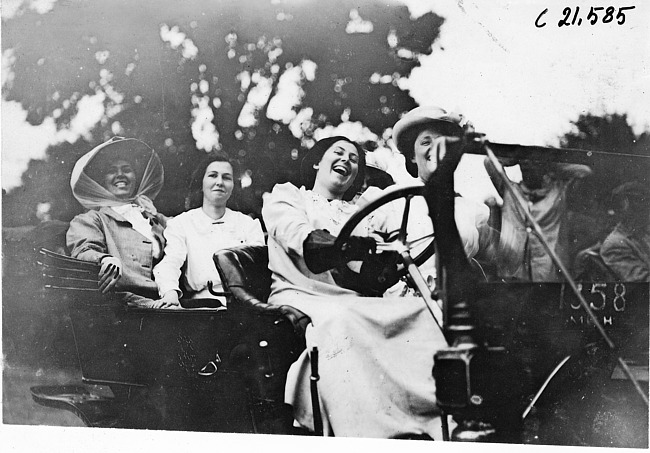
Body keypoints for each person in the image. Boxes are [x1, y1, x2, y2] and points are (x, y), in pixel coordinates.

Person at [262, 135, 453, 438]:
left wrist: (387, 263)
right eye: (338, 152)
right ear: (316, 161)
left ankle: (433, 420)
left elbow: (376, 263)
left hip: (352, 298)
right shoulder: (287, 196)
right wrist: (348, 246)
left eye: (354, 159)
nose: (346, 160)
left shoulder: (363, 209)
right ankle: (365, 431)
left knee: (423, 311)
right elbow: (301, 238)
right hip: (302, 293)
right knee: (344, 321)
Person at [389, 106, 494, 285]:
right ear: (412, 155)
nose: (436, 147)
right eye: (425, 142)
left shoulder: (473, 210)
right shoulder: (391, 201)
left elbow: (509, 257)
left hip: (458, 301)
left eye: (442, 141)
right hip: (403, 305)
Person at [153, 152, 265, 307]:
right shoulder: (182, 223)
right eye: (213, 175)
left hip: (244, 306)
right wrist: (170, 293)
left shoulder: (248, 225)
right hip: (202, 306)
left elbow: (257, 272)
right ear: (202, 182)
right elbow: (170, 263)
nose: (219, 182)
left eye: (226, 177)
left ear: (233, 186)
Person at [67, 136, 168, 308]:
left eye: (126, 169)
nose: (120, 174)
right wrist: (104, 259)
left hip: (166, 301)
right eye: (112, 170)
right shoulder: (92, 219)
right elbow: (83, 251)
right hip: (122, 306)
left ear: (135, 176)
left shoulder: (154, 218)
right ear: (103, 180)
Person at [484, 156, 592, 281]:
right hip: (514, 273)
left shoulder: (558, 192)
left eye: (534, 165)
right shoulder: (510, 190)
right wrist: (517, 157)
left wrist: (551, 163)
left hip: (548, 272)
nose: (528, 169)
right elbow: (489, 161)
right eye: (524, 167)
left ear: (543, 169)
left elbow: (584, 172)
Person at [600, 181, 650, 282]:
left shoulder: (643, 235)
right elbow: (642, 281)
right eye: (643, 208)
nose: (647, 213)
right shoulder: (614, 244)